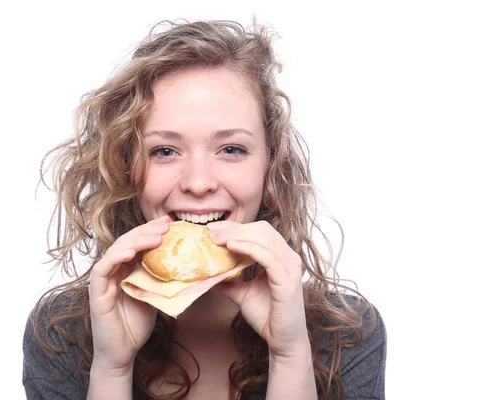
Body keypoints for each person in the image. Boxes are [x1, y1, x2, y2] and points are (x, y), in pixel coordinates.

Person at [22, 19, 386, 400]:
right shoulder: (61, 333)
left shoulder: (346, 332)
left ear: (270, 165)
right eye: (164, 151)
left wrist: (291, 353)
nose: (198, 182)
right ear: (125, 166)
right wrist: (112, 370)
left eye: (231, 149)